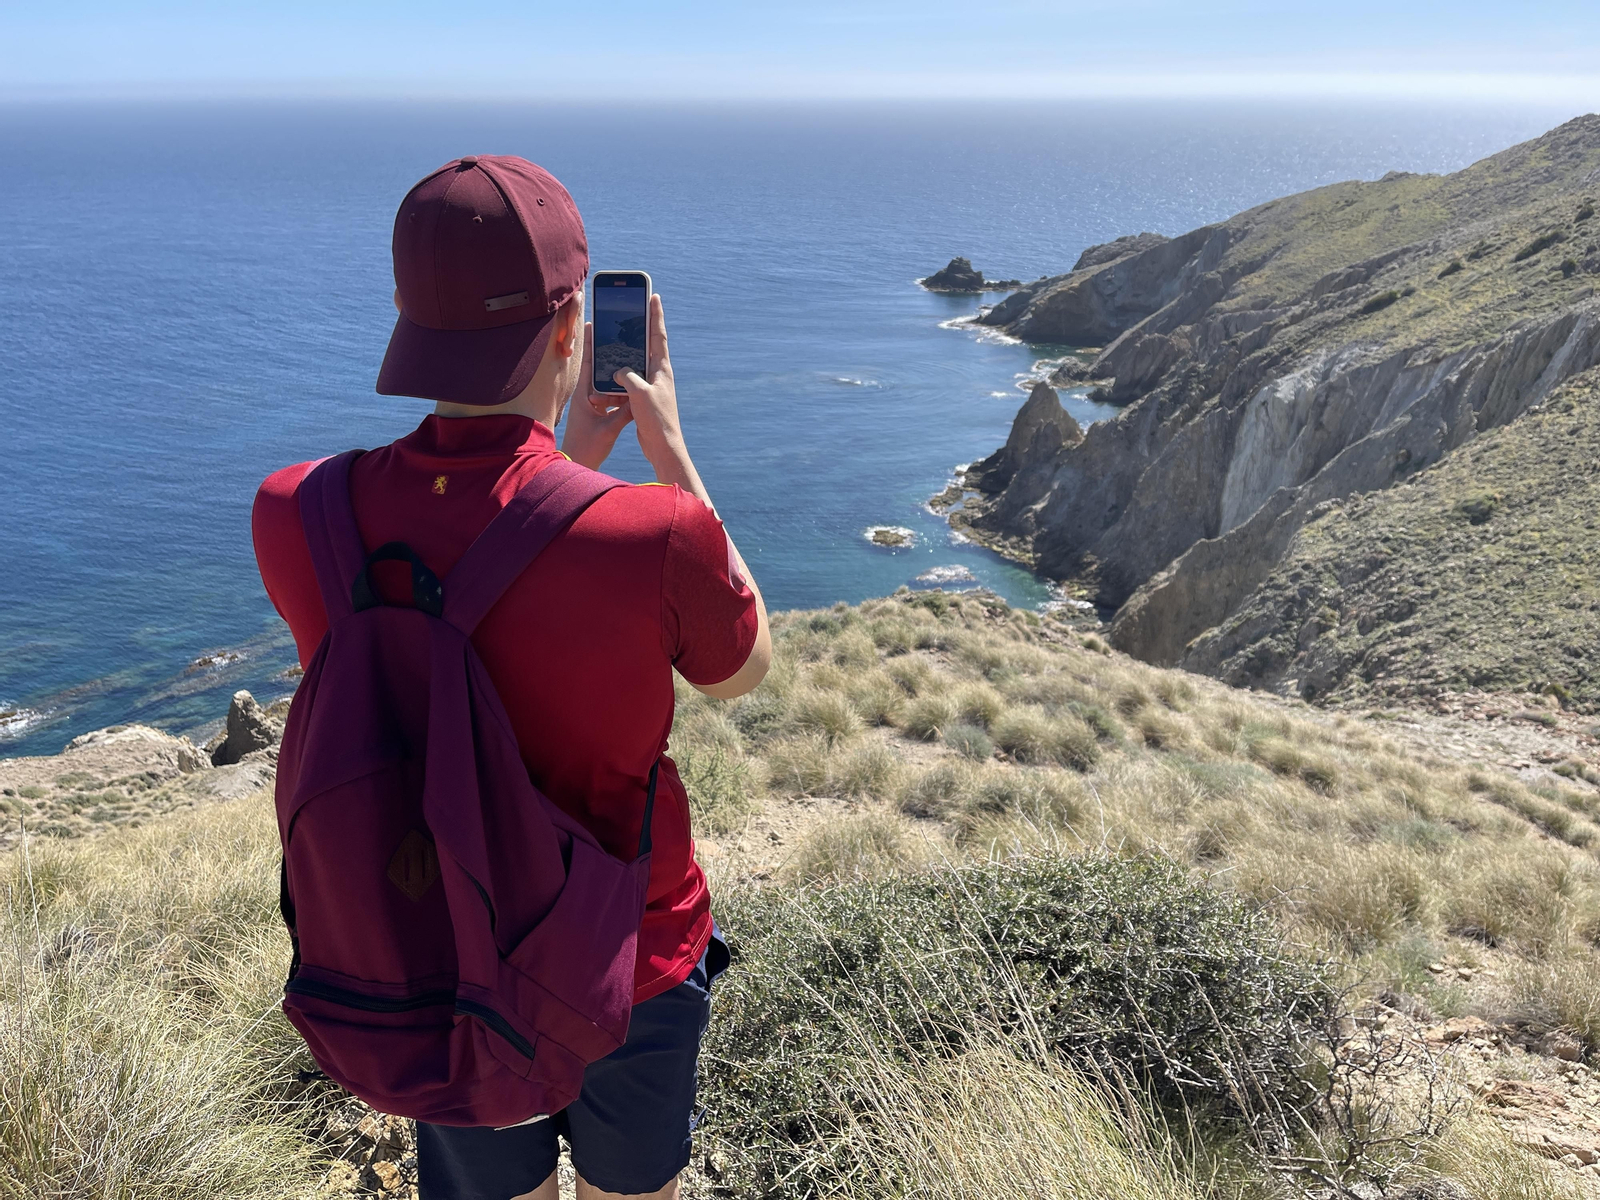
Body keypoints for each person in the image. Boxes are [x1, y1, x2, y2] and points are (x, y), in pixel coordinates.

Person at [252, 155, 771, 1200]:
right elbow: (742, 671)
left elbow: (464, 577)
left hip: (428, 947)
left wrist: (570, 448)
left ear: (407, 314)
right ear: (573, 322)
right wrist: (669, 451)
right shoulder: (657, 532)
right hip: (630, 952)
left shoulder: (298, 512)